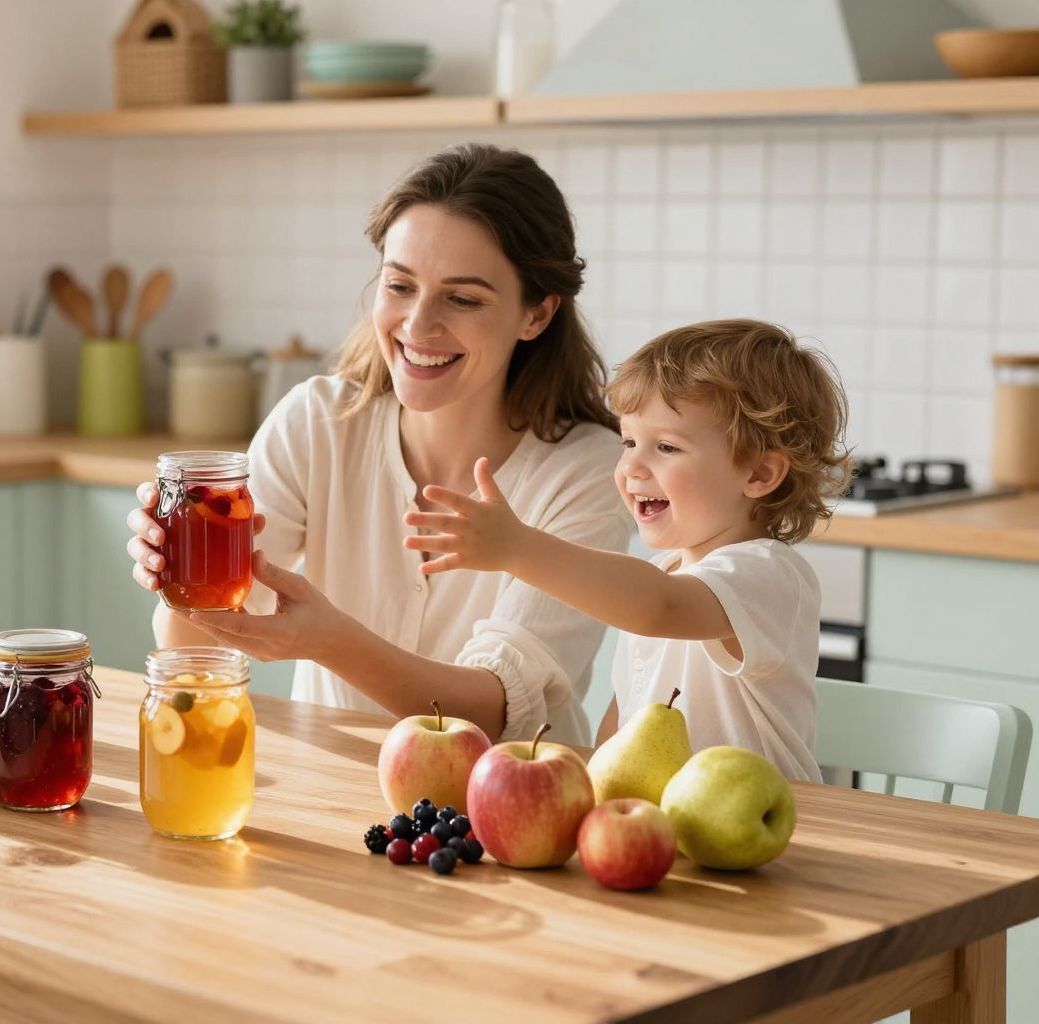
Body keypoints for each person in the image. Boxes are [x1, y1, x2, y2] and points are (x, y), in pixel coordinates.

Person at [124, 142, 633, 744]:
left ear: (537, 315)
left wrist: (331, 641)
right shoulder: (317, 423)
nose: (418, 325)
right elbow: (192, 647)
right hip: (330, 783)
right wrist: (180, 575)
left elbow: (497, 710)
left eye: (462, 298)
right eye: (399, 285)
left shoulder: (588, 471)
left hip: (510, 794)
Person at [403, 319, 850, 781]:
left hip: (770, 821)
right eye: (630, 441)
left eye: (666, 447)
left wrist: (518, 547)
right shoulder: (661, 575)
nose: (632, 465)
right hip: (667, 820)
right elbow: (625, 719)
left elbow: (659, 607)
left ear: (759, 474)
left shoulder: (768, 574)